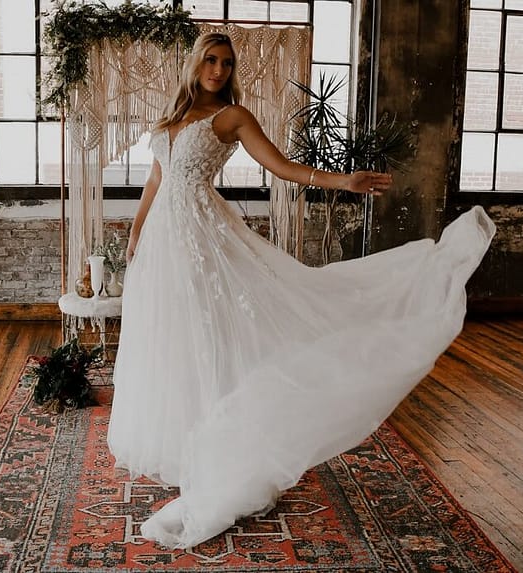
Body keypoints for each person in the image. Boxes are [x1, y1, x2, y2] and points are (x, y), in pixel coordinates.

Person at [106, 32, 495, 549]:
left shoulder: (232, 117)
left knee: (214, 335)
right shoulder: (170, 120)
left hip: (203, 239)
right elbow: (156, 181)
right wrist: (135, 235)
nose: (219, 70)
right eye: (211, 60)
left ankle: (224, 454)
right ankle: (186, 445)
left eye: (227, 63)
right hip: (162, 245)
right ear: (195, 63)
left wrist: (342, 181)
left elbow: (281, 167)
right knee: (172, 341)